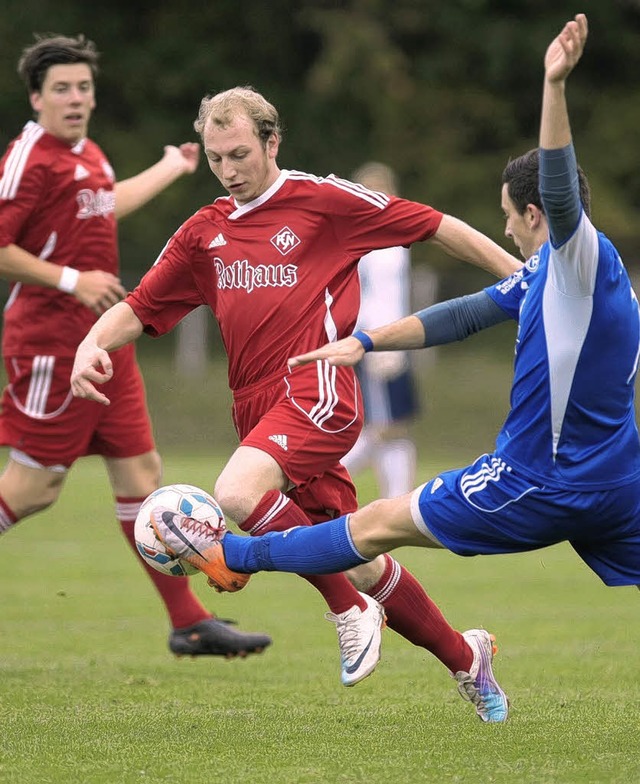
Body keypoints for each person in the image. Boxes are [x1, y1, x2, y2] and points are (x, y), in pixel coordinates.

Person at [150, 14, 640, 724]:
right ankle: (463, 657)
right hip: (618, 480)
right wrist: (367, 344)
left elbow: (558, 186)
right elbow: (464, 314)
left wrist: (553, 84)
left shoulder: (577, 259)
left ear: (536, 216)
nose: (505, 230)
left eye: (510, 217)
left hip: (540, 479)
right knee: (366, 548)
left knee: (374, 525)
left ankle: (237, 554)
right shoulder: (555, 278)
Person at [70, 80, 522, 688]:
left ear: (272, 141)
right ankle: (468, 661)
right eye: (215, 159)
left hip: (317, 387)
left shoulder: (324, 201)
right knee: (357, 557)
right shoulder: (204, 232)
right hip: (254, 407)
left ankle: (347, 607)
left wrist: (523, 278)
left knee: (235, 493)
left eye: (240, 155)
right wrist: (89, 344)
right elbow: (139, 305)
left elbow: (436, 224)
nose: (228, 171)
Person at [0, 33, 272, 659]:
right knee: (33, 489)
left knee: (142, 478)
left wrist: (172, 168)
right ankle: (189, 620)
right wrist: (73, 279)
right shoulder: (29, 157)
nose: (76, 99)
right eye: (62, 89)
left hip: (103, 347)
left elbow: (99, 209)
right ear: (36, 97)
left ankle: (189, 623)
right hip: (48, 348)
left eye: (84, 87)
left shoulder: (86, 154)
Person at [340, 162, 424, 499]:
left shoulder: (391, 236)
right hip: (377, 343)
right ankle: (322, 481)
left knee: (395, 426)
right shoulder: (363, 242)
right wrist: (371, 341)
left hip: (396, 341)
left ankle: (400, 500)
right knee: (382, 427)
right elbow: (364, 296)